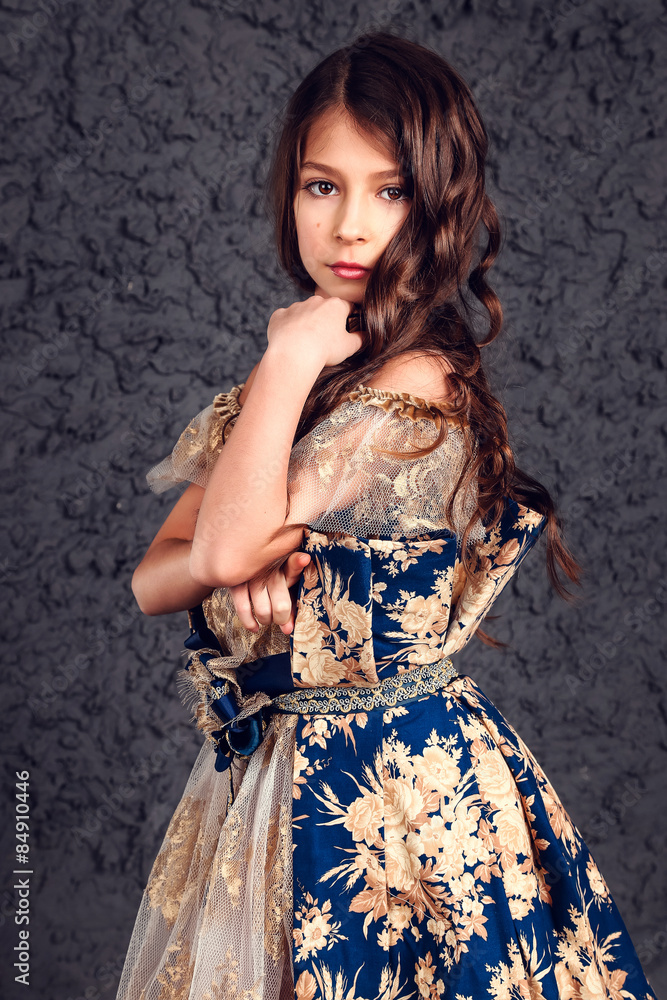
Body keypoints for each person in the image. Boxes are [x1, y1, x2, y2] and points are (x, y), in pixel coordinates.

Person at [116, 30, 658, 1000]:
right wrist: (243, 541)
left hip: (394, 797)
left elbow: (220, 544)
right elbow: (156, 577)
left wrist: (285, 362)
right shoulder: (301, 390)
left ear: (439, 199)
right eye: (321, 186)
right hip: (274, 779)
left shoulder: (416, 383)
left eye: (391, 190)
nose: (350, 227)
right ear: (289, 193)